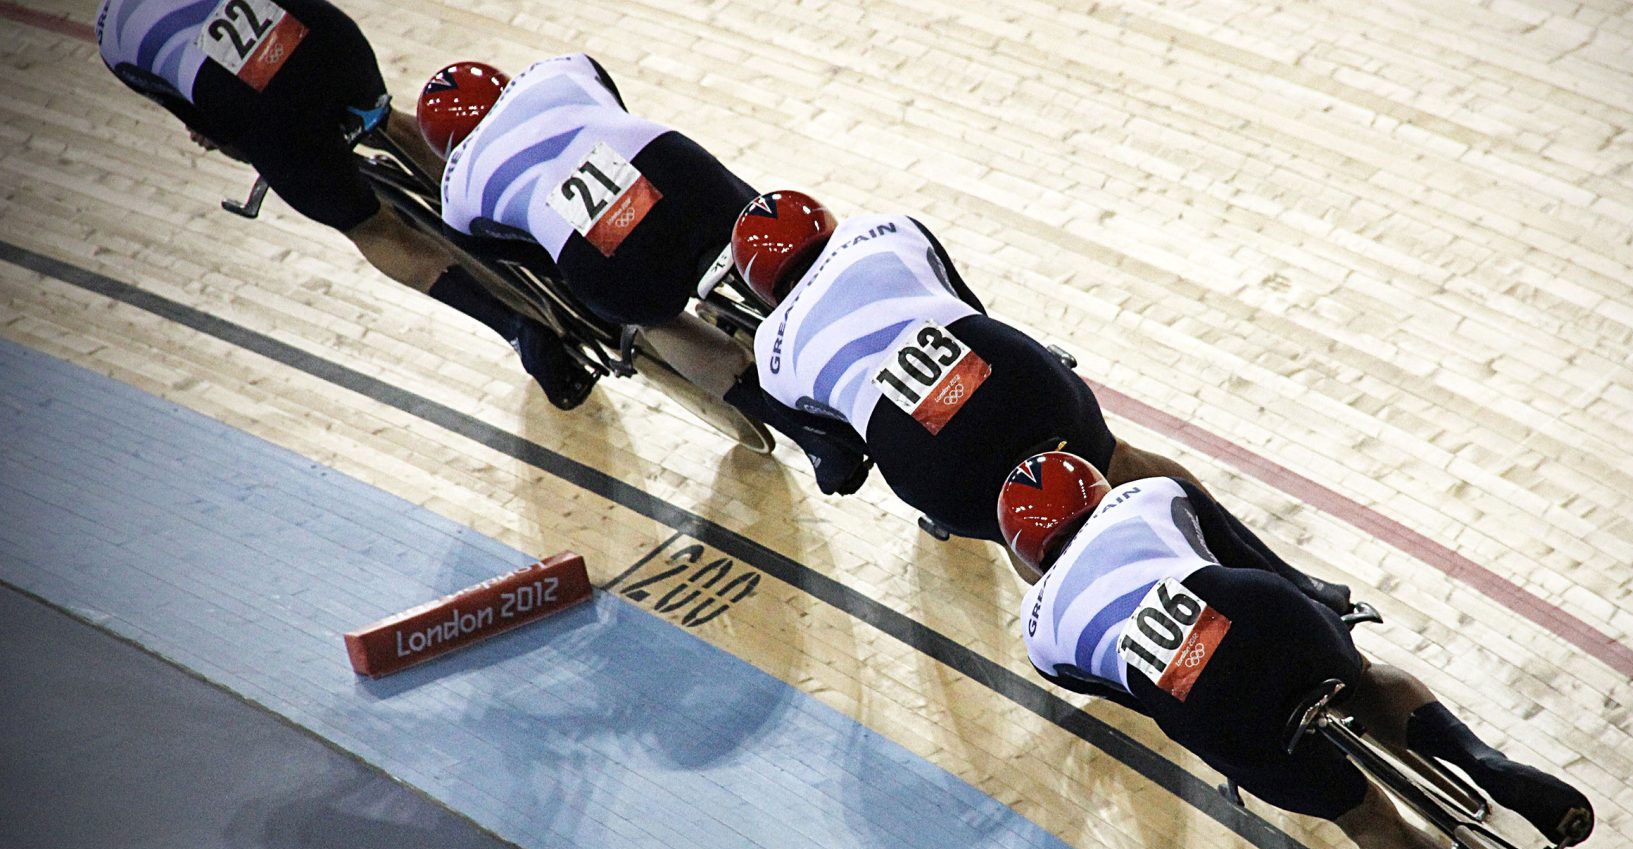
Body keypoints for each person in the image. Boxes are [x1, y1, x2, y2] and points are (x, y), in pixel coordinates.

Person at [998, 450, 1597, 849]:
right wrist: (1322, 603)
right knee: (1360, 679)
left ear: (1025, 554)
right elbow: (1254, 558)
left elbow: (1131, 696)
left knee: (1365, 823)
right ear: (1095, 488)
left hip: (1200, 704)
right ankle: (1486, 766)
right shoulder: (1146, 493)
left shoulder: (1038, 635)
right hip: (1258, 610)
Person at [95, 0, 583, 407]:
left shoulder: (112, 37)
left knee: (369, 226)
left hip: (261, 112)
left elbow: (210, 127)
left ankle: (519, 330)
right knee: (387, 121)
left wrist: (251, 148)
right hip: (325, 44)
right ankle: (554, 246)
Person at [721, 189, 1204, 547]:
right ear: (823, 222)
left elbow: (843, 443)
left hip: (936, 469)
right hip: (1015, 381)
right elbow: (966, 304)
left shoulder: (771, 352)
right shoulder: (882, 228)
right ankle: (1220, 535)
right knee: (1116, 459)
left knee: (1030, 538)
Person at [425, 53, 836, 447]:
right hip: (679, 175)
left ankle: (812, 439)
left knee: (656, 322)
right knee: (764, 230)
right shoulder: (561, 66)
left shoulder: (455, 197)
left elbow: (535, 259)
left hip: (607, 261)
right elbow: (616, 110)